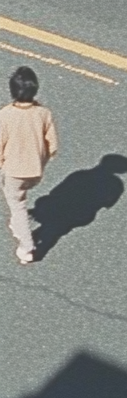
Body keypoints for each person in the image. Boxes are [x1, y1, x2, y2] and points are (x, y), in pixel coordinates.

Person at [0, 66, 58, 264]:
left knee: (17, 205)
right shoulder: (43, 113)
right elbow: (52, 144)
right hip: (35, 171)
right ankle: (18, 225)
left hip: (15, 172)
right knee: (21, 198)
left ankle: (27, 247)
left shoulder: (5, 115)